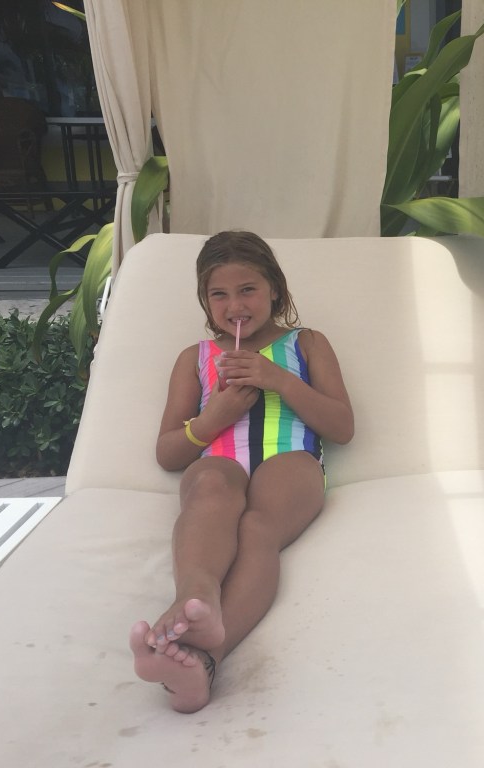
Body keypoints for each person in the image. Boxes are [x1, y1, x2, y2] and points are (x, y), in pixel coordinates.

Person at [129, 230, 354, 711]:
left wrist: (279, 380)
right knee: (209, 489)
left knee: (256, 529)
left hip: (289, 460)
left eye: (248, 289)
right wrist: (212, 419)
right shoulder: (195, 358)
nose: (235, 305)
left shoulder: (307, 343)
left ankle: (205, 656)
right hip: (219, 459)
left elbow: (342, 427)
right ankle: (196, 598)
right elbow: (168, 452)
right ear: (204, 300)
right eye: (219, 294)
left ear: (275, 289)